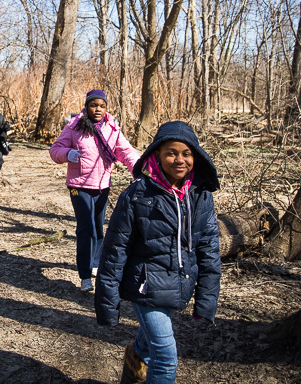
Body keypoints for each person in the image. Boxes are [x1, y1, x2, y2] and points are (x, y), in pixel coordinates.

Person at [94, 120, 221, 384]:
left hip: (179, 284)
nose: (179, 159)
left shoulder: (201, 196)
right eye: (171, 152)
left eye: (186, 153)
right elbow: (114, 250)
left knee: (149, 344)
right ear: (157, 155)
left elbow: (209, 249)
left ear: (195, 157)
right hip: (145, 287)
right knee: (165, 356)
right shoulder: (136, 195)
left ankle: (133, 362)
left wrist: (206, 301)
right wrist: (108, 305)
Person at [49, 89, 139, 292]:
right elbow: (54, 151)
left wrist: (138, 170)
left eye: (102, 106)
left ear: (106, 108)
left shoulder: (112, 127)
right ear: (87, 106)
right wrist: (67, 153)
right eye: (93, 105)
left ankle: (96, 264)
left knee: (98, 228)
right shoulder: (74, 127)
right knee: (86, 228)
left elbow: (125, 151)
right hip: (78, 185)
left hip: (102, 185)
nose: (98, 109)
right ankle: (84, 275)